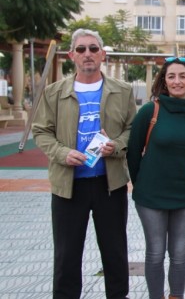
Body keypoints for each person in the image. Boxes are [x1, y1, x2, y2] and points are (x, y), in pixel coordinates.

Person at [32, 28, 135, 299]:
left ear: (102, 54)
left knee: (114, 252)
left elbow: (132, 128)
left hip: (109, 185)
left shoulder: (122, 91)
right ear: (71, 56)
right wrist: (62, 153)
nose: (87, 54)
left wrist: (117, 145)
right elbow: (41, 131)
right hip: (68, 186)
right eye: (81, 49)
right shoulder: (54, 92)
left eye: (93, 48)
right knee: (67, 255)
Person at [126, 57, 185, 299]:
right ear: (164, 81)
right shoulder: (151, 110)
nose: (177, 81)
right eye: (171, 76)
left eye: (182, 76)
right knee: (156, 253)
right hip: (151, 195)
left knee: (179, 254)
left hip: (184, 194)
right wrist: (141, 185)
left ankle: (176, 296)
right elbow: (133, 150)